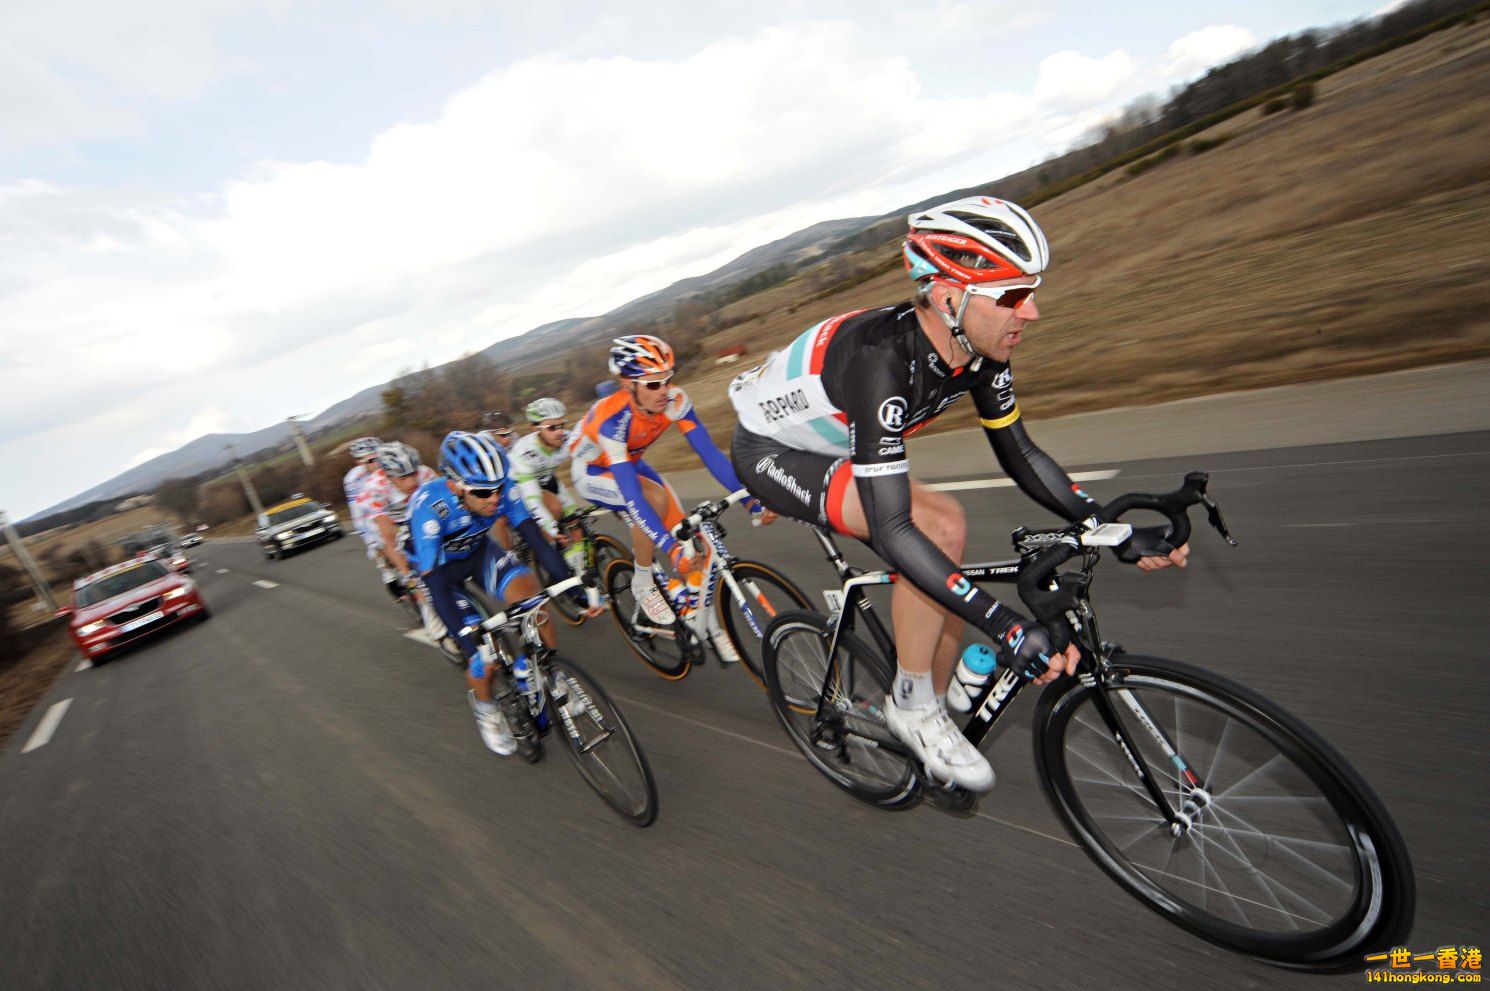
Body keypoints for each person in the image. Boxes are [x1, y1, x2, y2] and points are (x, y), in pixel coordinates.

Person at [728, 196, 1187, 792]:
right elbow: (893, 530)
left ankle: (929, 707)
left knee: (944, 573)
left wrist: (1109, 527)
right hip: (774, 453)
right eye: (1015, 296)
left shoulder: (975, 343)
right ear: (949, 297)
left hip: (841, 434)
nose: (1034, 313)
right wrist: (1008, 626)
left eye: (1033, 292)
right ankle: (912, 708)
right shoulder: (882, 363)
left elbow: (1019, 452)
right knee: (938, 527)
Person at [568, 335, 775, 662]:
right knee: (652, 503)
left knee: (685, 530)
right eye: (652, 384)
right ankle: (642, 581)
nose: (663, 389)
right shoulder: (611, 419)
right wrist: (669, 549)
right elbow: (633, 495)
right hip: (592, 471)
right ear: (628, 385)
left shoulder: (675, 401)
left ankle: (704, 623)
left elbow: (710, 455)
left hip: (630, 461)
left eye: (667, 379)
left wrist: (751, 501)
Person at [407, 431, 590, 755]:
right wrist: (467, 640)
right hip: (441, 572)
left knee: (535, 603)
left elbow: (535, 539)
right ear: (455, 487)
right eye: (482, 492)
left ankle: (552, 673)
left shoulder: (501, 490)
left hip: (478, 554)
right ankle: (486, 707)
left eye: (498, 487)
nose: (494, 498)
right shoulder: (431, 509)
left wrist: (573, 589)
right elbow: (435, 584)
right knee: (483, 661)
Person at [356, 441, 441, 631]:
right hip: (388, 522)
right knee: (412, 571)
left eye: (413, 474)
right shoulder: (374, 489)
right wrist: (407, 573)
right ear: (387, 475)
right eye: (402, 477)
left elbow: (442, 504)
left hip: (415, 512)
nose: (411, 482)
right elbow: (388, 536)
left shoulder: (425, 473)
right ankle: (425, 607)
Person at [508, 398, 589, 579]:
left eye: (562, 424)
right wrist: (552, 530)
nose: (560, 432)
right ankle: (553, 563)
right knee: (553, 508)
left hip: (547, 479)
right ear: (535, 428)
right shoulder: (524, 453)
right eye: (552, 427)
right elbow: (533, 499)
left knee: (574, 518)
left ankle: (580, 565)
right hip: (520, 487)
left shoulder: (567, 439)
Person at [343, 436, 389, 578]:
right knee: (381, 550)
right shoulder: (353, 480)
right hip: (373, 516)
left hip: (395, 509)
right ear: (359, 461)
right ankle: (389, 575)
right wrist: (372, 543)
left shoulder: (390, 463)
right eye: (370, 460)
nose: (376, 463)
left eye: (378, 457)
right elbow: (358, 516)